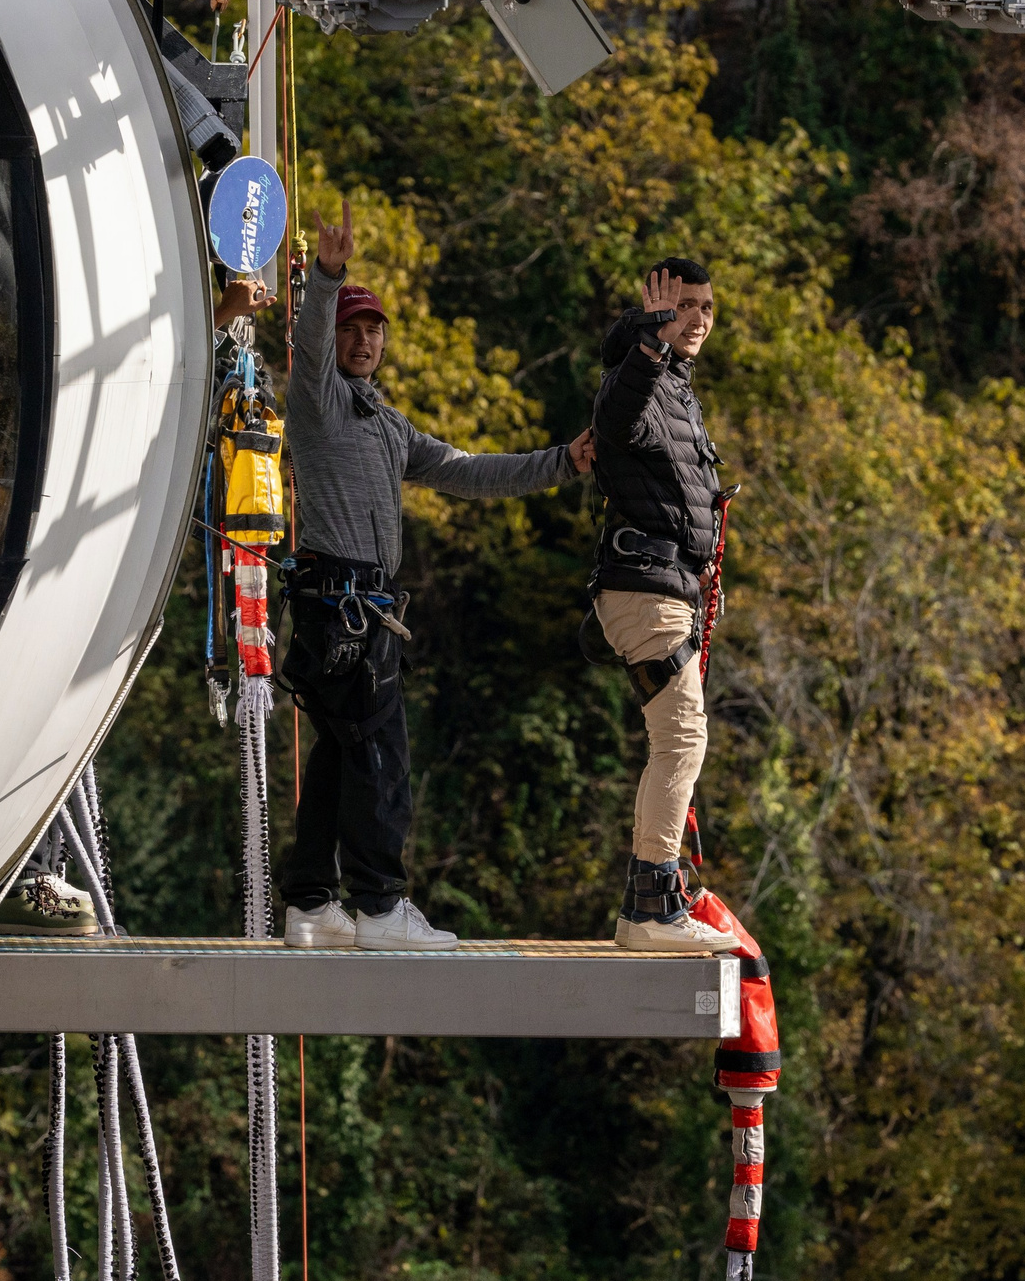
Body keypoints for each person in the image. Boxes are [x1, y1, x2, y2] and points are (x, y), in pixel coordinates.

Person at [281, 197, 596, 951]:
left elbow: (467, 470)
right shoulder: (317, 403)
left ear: (385, 343)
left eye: (372, 329)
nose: (361, 340)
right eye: (351, 328)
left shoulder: (387, 426)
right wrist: (328, 278)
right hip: (342, 607)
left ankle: (309, 904)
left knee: (336, 757)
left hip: (352, 610)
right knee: (381, 755)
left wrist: (564, 461)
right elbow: (311, 347)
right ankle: (382, 908)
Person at [588, 258, 740, 953]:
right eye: (687, 306)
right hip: (643, 590)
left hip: (665, 589)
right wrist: (650, 340)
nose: (700, 318)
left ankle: (645, 905)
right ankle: (653, 904)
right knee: (681, 738)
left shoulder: (676, 389)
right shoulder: (640, 376)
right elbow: (615, 417)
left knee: (678, 737)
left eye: (708, 307)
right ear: (658, 310)